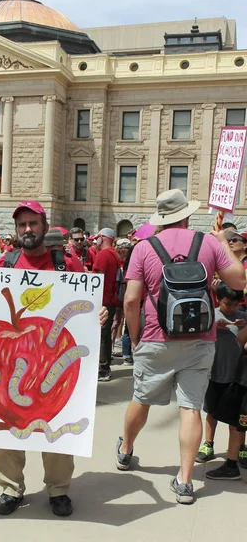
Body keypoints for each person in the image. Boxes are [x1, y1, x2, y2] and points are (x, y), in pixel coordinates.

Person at [117, 188, 245, 505]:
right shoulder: (207, 243)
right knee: (190, 408)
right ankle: (185, 482)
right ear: (186, 215)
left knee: (141, 398)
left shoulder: (143, 248)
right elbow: (240, 280)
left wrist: (134, 339)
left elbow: (131, 300)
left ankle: (126, 449)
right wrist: (222, 244)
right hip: (200, 340)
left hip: (155, 336)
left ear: (161, 218)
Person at [0, 201, 84, 519]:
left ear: (45, 227)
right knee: (8, 426)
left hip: (54, 361)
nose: (27, 229)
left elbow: (86, 300)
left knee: (55, 425)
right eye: (21, 225)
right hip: (14, 361)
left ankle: (58, 490)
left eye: (33, 223)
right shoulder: (8, 262)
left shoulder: (65, 264)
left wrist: (96, 312)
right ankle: (10, 487)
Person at [195, 283, 247, 477]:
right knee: (211, 411)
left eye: (236, 304)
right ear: (219, 300)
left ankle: (241, 447)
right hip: (215, 374)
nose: (232, 308)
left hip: (237, 377)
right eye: (228, 304)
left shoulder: (244, 318)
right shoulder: (212, 316)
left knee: (239, 418)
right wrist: (214, 329)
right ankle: (208, 443)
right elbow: (199, 340)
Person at [93, 227, 121, 382]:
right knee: (106, 334)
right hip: (110, 299)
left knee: (102, 335)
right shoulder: (115, 255)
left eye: (98, 237)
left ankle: (103, 368)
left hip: (102, 299)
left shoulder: (103, 255)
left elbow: (98, 278)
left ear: (103, 237)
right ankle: (105, 365)